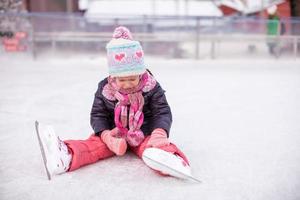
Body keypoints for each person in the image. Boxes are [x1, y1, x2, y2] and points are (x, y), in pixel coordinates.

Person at [37, 26, 191, 179]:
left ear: (141, 73)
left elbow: (161, 111)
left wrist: (159, 132)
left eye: (132, 78)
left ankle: (172, 160)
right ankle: (66, 155)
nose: (128, 84)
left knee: (154, 146)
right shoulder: (105, 89)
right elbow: (98, 114)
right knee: (94, 147)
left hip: (144, 133)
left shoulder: (151, 87)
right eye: (122, 79)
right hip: (114, 134)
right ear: (113, 76)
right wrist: (106, 135)